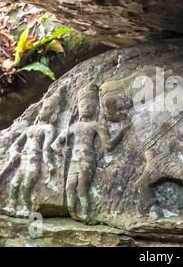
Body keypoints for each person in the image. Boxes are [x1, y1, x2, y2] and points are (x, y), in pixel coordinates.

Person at [52, 85, 127, 222]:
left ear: (96, 109)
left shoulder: (97, 125)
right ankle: (73, 213)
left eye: (89, 106)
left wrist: (121, 132)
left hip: (87, 160)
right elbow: (55, 144)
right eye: (83, 105)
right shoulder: (72, 127)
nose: (86, 108)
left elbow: (108, 145)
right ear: (78, 108)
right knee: (69, 188)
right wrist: (63, 151)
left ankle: (86, 214)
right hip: (74, 161)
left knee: (81, 189)